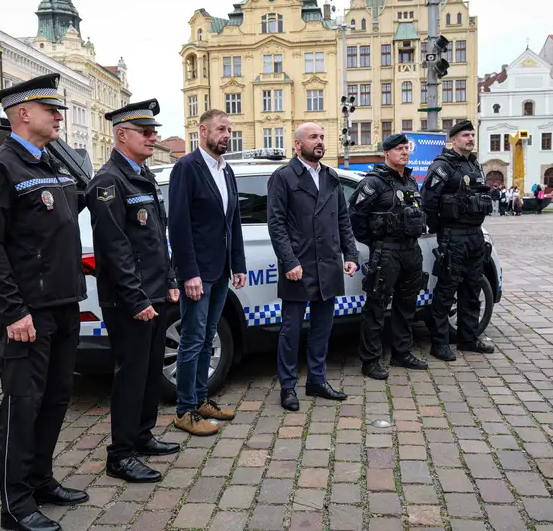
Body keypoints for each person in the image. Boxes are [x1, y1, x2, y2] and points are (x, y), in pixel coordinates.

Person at [0, 74, 88, 531]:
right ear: (23, 113)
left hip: (63, 302)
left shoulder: (50, 164)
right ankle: (14, 504)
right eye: (50, 109)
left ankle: (40, 479)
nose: (59, 116)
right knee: (23, 404)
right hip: (28, 312)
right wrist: (13, 310)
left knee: (56, 398)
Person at [85, 99, 181, 484]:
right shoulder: (109, 181)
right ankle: (120, 454)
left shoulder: (142, 175)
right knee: (130, 376)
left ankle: (142, 435)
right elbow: (115, 247)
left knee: (147, 373)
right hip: (130, 300)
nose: (153, 137)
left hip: (155, 294)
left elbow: (158, 237)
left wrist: (171, 281)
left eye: (154, 131)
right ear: (122, 135)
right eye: (146, 132)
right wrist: (136, 299)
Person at [267, 123, 359, 410]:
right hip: (300, 264)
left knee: (322, 327)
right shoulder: (283, 177)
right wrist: (289, 261)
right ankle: (288, 386)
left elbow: (342, 219)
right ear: (297, 145)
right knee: (291, 330)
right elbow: (276, 224)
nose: (319, 142)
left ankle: (317, 380)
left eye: (321, 137)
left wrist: (351, 254)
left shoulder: (330, 176)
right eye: (313, 138)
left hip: (328, 263)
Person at [169, 109, 247, 436]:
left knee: (206, 339)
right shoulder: (187, 168)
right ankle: (185, 410)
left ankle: (201, 399)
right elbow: (179, 225)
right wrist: (188, 273)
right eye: (220, 129)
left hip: (221, 270)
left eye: (229, 129)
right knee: (192, 340)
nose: (226, 134)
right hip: (198, 273)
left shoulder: (226, 170)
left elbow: (234, 221)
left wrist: (238, 264)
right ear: (203, 131)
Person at [350, 133, 430, 379]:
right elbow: (355, 216)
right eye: (399, 149)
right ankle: (371, 360)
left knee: (406, 305)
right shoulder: (373, 183)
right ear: (387, 153)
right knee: (376, 306)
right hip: (387, 252)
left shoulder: (410, 183)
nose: (404, 152)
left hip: (410, 251)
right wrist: (376, 242)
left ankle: (401, 352)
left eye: (407, 149)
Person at [420, 120, 495, 361]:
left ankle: (468, 338)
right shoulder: (443, 166)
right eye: (465, 135)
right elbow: (428, 201)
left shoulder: (474, 165)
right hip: (453, 236)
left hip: (474, 234)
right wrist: (441, 230)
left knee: (472, 288)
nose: (471, 139)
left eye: (472, 134)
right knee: (446, 291)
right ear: (453, 140)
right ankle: (440, 343)